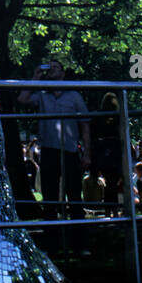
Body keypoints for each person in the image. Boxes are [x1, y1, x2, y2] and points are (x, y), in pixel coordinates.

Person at [17, 57, 91, 243]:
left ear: (63, 74)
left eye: (56, 68)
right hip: (48, 151)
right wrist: (35, 77)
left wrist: (87, 154)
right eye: (49, 68)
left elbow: (85, 125)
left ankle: (79, 240)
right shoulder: (41, 95)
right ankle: (52, 240)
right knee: (49, 198)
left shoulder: (74, 96)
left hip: (70, 151)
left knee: (74, 196)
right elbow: (22, 99)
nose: (52, 70)